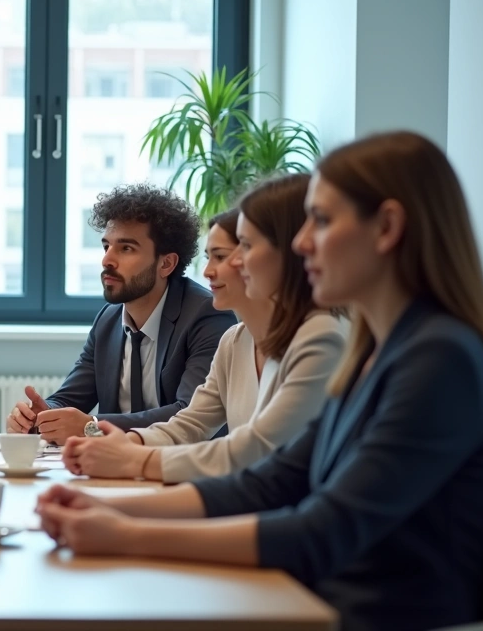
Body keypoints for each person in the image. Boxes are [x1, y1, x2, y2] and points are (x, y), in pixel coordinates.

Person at [35, 131, 483, 631]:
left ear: (386, 227)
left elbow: (323, 529)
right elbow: (274, 482)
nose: (301, 242)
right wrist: (102, 506)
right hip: (318, 602)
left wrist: (126, 533)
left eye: (320, 220)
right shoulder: (378, 351)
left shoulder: (439, 357)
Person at [62, 175, 345, 482]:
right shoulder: (235, 341)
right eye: (212, 256)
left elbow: (255, 448)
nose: (210, 271)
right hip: (248, 497)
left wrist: (134, 459)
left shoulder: (321, 338)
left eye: (237, 251)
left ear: (289, 255)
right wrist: (129, 445)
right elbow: (191, 423)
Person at [7, 184, 236, 444]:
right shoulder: (109, 319)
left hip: (185, 468)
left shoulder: (206, 315)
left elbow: (188, 414)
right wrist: (40, 415)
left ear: (166, 263)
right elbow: (70, 398)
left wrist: (93, 426)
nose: (107, 260)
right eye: (107, 246)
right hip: (117, 466)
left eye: (126, 248)